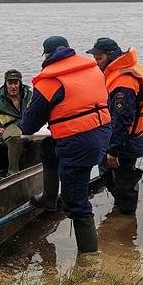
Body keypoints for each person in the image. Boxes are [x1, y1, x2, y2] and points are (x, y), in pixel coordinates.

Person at [20, 36, 111, 253]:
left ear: (47, 55)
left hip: (78, 143)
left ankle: (88, 257)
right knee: (49, 150)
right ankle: (49, 198)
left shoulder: (49, 81)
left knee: (75, 200)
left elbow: (29, 125)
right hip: (102, 134)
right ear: (69, 50)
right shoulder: (92, 69)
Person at [86, 37, 143, 215]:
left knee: (124, 183)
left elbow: (123, 119)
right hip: (113, 138)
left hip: (124, 142)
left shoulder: (124, 81)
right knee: (107, 175)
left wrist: (113, 151)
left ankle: (127, 221)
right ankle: (121, 212)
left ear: (110, 55)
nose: (95, 61)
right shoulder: (117, 72)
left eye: (98, 58)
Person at [0, 69, 33, 175]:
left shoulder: (30, 95)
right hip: (9, 130)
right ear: (6, 83)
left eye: (15, 83)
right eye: (10, 83)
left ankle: (36, 167)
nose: (13, 86)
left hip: (28, 129)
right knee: (14, 137)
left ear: (20, 83)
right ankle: (13, 172)